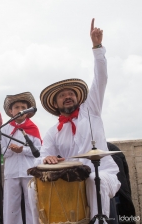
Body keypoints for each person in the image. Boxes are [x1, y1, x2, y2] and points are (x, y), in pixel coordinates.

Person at [37, 18, 121, 221]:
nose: (68, 96)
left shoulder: (91, 109)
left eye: (71, 93)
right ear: (56, 104)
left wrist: (97, 47)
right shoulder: (52, 132)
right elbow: (42, 156)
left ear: (78, 97)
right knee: (35, 188)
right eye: (62, 95)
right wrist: (46, 159)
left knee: (94, 180)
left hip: (103, 173)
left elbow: (101, 78)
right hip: (69, 179)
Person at [1, 92, 42, 224]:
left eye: (23, 107)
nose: (20, 110)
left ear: (28, 111)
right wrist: (11, 150)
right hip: (11, 172)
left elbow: (39, 150)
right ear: (10, 111)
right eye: (16, 107)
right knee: (11, 206)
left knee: (32, 205)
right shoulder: (5, 129)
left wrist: (22, 150)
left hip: (28, 171)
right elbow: (3, 151)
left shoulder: (33, 128)